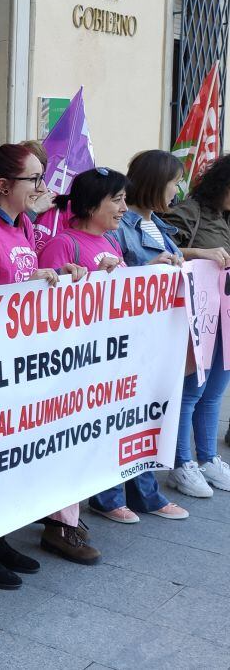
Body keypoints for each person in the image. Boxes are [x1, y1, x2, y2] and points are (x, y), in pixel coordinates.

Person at [0, 141, 90, 588]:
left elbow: (25, 283)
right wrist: (23, 284)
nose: (42, 186)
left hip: (20, 366)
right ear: (3, 184)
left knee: (5, 464)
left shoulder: (25, 227)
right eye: (34, 178)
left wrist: (60, 277)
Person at [86, 150, 192, 521]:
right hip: (124, 336)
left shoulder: (156, 225)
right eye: (174, 181)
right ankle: (110, 495)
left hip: (153, 337)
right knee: (117, 415)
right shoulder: (125, 225)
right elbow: (120, 275)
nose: (179, 188)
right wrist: (148, 269)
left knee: (143, 414)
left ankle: (145, 490)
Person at [37, 167, 135, 565]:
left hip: (100, 364)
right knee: (67, 443)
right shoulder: (64, 245)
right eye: (117, 200)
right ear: (92, 204)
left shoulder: (111, 240)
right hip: (69, 367)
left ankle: (70, 516)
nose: (124, 208)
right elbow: (44, 304)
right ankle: (59, 525)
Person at [162, 155, 230, 497]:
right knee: (193, 391)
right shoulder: (191, 211)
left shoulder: (224, 215)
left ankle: (208, 458)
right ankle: (181, 462)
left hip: (227, 316)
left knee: (215, 389)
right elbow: (166, 251)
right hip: (200, 312)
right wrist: (202, 254)